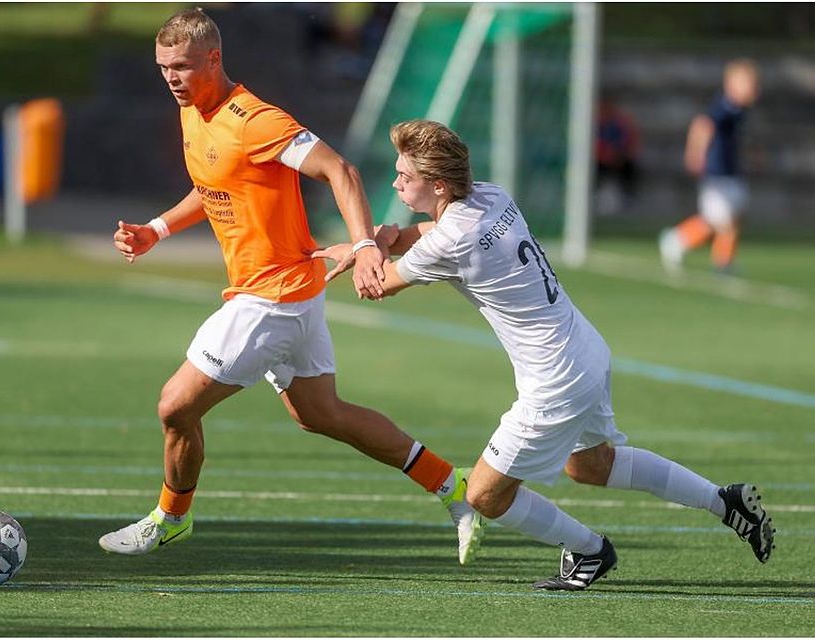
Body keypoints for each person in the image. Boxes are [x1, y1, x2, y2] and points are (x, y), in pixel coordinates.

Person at [313, 119, 775, 590]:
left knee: (484, 495)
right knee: (591, 465)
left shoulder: (452, 241)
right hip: (585, 349)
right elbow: (432, 232)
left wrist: (364, 248)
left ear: (437, 185)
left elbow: (378, 284)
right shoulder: (491, 196)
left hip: (555, 378)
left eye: (403, 177)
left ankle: (590, 551)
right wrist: (381, 241)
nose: (395, 183)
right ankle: (725, 501)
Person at [98, 9, 483, 565]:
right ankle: (452, 484)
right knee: (320, 414)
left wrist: (366, 244)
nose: (171, 79)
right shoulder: (193, 112)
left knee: (175, 407)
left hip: (270, 298)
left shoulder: (255, 120)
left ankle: (170, 518)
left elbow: (342, 171)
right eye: (163, 68)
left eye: (181, 67)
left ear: (213, 59)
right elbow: (213, 185)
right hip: (294, 291)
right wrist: (156, 229)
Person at [659, 59, 760, 274]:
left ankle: (721, 258)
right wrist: (695, 153)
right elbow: (702, 126)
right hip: (717, 173)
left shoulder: (738, 111)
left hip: (731, 173)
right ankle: (681, 241)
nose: (753, 88)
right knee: (720, 221)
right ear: (731, 83)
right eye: (748, 83)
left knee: (730, 219)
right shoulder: (722, 107)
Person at [594, 93, 640, 216]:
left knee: (629, 166)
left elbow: (630, 141)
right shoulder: (593, 124)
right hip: (599, 159)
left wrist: (619, 154)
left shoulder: (619, 123)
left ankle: (627, 198)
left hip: (617, 158)